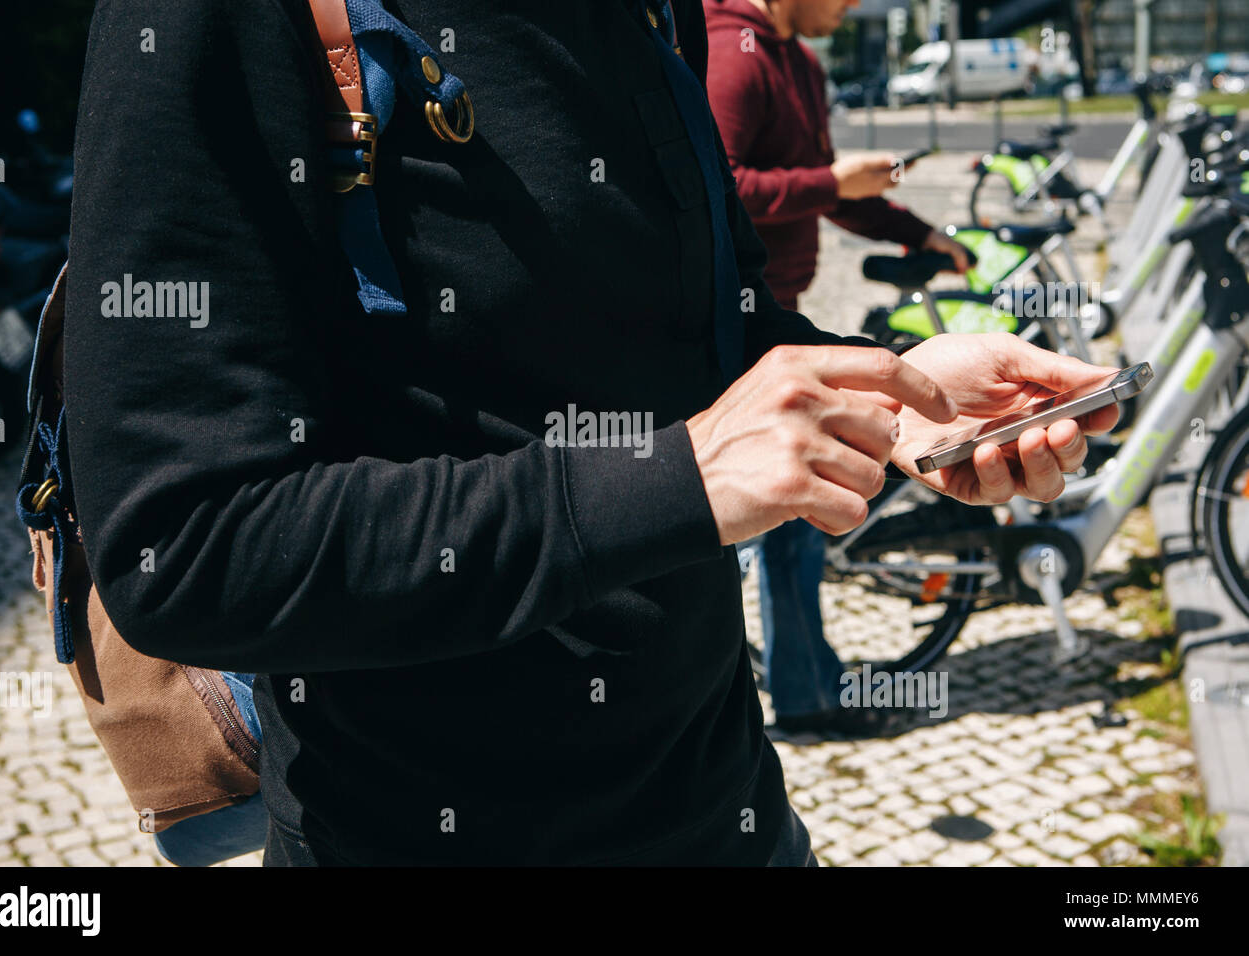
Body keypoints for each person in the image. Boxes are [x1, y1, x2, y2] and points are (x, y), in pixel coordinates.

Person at [62, 0, 1116, 865]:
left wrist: (897, 399)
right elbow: (186, 546)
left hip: (733, 814)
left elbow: (711, 342)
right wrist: (682, 473)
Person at [705, 0, 971, 736]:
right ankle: (803, 697)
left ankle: (803, 683)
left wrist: (919, 232)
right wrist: (830, 182)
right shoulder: (735, 52)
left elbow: (832, 190)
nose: (852, 4)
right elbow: (722, 187)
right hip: (732, 321)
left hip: (779, 308)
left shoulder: (803, 61)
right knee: (792, 509)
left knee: (796, 513)